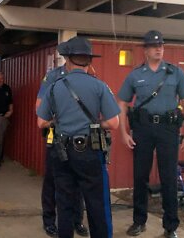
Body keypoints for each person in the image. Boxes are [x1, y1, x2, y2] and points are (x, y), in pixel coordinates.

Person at [37, 36, 120, 238]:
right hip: (90, 152)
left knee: (64, 204)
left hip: (62, 152)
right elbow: (113, 123)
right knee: (96, 204)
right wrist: (94, 124)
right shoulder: (99, 86)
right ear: (89, 60)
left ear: (68, 58)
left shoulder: (55, 86)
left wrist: (59, 122)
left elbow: (41, 122)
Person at [118, 30, 184, 238]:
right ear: (145, 50)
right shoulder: (135, 75)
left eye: (161, 45)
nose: (158, 48)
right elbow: (123, 103)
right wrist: (124, 133)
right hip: (142, 129)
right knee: (140, 176)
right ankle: (139, 221)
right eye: (154, 46)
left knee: (168, 177)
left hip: (168, 129)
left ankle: (170, 227)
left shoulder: (175, 73)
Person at [36, 63, 88, 238]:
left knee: (79, 181)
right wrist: (55, 120)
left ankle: (77, 220)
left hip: (79, 138)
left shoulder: (86, 74)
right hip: (56, 136)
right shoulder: (53, 76)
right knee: (52, 180)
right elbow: (39, 106)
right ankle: (49, 221)